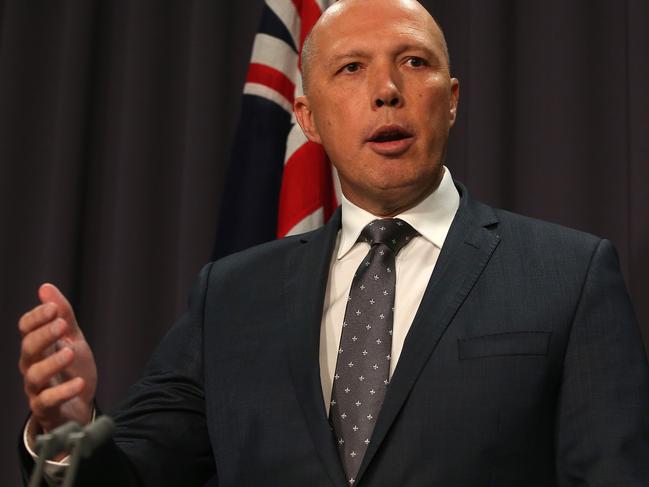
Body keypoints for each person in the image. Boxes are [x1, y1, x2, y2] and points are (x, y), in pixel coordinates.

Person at [18, 0, 649, 485]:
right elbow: (131, 476)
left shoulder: (569, 276)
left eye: (415, 62)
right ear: (308, 117)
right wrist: (68, 433)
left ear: (451, 101)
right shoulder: (230, 297)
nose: (386, 90)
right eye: (351, 68)